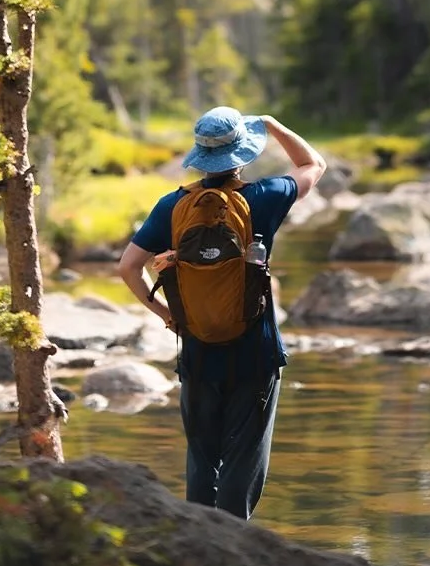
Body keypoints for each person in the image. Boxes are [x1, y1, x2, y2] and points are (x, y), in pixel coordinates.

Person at [118, 106, 326, 520]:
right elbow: (312, 165)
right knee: (243, 458)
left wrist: (166, 314)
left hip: (197, 350)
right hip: (255, 351)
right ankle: (233, 543)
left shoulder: (172, 206)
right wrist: (271, 124)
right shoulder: (264, 197)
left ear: (200, 156)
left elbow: (128, 267)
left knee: (202, 458)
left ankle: (200, 541)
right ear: (242, 154)